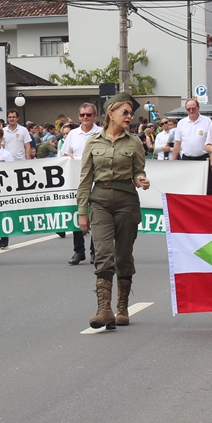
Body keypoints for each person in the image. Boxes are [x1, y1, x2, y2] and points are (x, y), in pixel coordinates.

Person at [77, 92, 150, 330]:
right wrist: (82, 211)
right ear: (111, 113)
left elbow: (138, 171)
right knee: (103, 253)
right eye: (125, 112)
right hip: (99, 201)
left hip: (126, 201)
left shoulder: (134, 142)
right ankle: (104, 310)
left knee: (123, 256)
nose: (129, 116)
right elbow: (85, 178)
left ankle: (122, 307)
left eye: (131, 113)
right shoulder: (93, 142)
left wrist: (141, 179)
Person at [61, 102, 102, 265]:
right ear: (78, 116)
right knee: (78, 212)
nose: (85, 117)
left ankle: (95, 251)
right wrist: (68, 157)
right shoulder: (72, 134)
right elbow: (64, 154)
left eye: (88, 115)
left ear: (95, 116)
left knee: (96, 214)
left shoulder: (101, 133)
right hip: (77, 179)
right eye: (82, 115)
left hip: (97, 178)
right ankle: (79, 251)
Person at [171, 98, 212, 194]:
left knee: (206, 188)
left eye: (193, 108)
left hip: (203, 159)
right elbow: (177, 143)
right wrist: (173, 161)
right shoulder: (181, 123)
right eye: (188, 109)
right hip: (187, 160)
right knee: (188, 187)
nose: (191, 111)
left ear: (198, 108)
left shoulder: (207, 121)